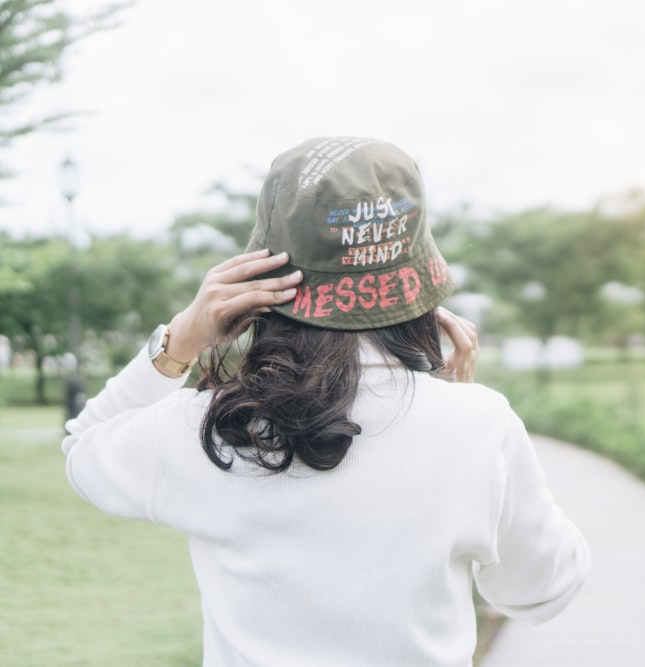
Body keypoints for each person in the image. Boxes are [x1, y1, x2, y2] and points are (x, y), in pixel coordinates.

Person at [62, 137, 590, 667]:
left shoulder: (205, 428)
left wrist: (178, 342)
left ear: (257, 274)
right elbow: (540, 589)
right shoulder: (479, 423)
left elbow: (82, 450)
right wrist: (460, 416)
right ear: (416, 273)